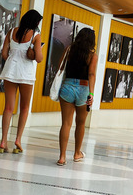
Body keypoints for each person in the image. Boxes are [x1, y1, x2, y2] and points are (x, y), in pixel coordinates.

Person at [0, 9, 43, 154]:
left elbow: (4, 54)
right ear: (35, 22)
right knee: (24, 108)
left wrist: (14, 55)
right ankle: (17, 140)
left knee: (8, 108)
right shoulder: (36, 36)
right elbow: (39, 58)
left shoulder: (11, 32)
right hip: (26, 74)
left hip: (10, 71)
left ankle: (3, 141)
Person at [56, 27, 97, 166]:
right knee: (80, 123)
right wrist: (91, 94)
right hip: (84, 89)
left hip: (67, 87)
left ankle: (62, 157)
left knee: (66, 123)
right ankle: (77, 153)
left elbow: (60, 67)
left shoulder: (69, 49)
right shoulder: (92, 55)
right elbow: (91, 74)